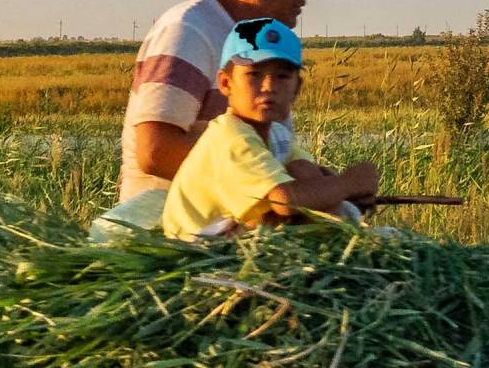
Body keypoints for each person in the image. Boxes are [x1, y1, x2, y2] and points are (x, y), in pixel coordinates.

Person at [115, 0, 342, 221]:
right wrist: (263, 192)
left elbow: (269, 154)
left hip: (233, 235)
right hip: (171, 238)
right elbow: (155, 151)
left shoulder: (266, 49)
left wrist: (321, 187)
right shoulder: (189, 31)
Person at [159, 19, 379, 239]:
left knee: (304, 176)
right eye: (254, 74)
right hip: (200, 249)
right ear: (226, 84)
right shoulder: (231, 137)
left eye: (282, 77)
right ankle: (346, 240)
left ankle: (344, 236)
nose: (269, 87)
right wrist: (350, 183)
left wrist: (346, 192)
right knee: (286, 209)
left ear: (296, 89)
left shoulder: (277, 134)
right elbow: (283, 200)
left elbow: (307, 172)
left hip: (235, 243)